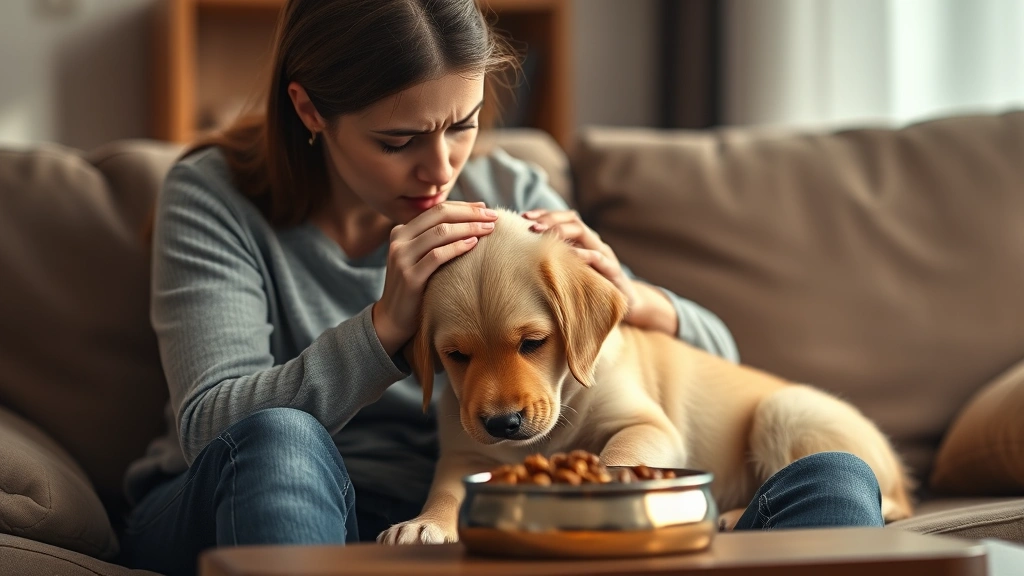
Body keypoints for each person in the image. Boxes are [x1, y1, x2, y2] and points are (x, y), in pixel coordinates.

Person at [119, 0, 884, 574]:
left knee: (835, 480)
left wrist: (629, 292)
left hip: (470, 517)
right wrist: (385, 328)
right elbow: (209, 426)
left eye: (463, 123)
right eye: (399, 140)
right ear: (310, 108)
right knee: (284, 441)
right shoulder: (214, 197)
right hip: (260, 498)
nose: (442, 168)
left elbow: (703, 359)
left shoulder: (506, 190)